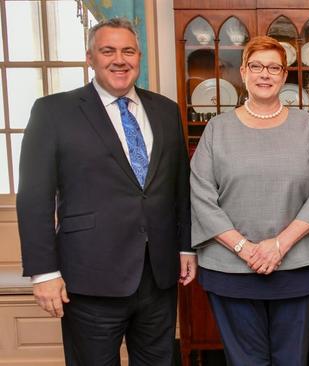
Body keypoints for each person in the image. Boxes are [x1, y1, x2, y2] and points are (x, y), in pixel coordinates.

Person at [16, 18, 195, 365]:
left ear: (139, 56)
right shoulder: (53, 111)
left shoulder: (165, 110)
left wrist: (186, 246)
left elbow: (179, 187)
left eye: (128, 51)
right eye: (108, 50)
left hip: (158, 274)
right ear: (90, 57)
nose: (119, 59)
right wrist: (44, 273)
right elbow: (34, 198)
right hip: (89, 277)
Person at [190, 35, 309, 366]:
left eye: (274, 67)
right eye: (256, 66)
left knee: (291, 360)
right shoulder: (217, 128)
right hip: (231, 268)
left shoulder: (307, 125)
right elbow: (201, 196)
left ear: (285, 75)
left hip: (296, 265)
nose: (264, 74)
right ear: (243, 72)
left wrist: (279, 245)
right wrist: (244, 248)